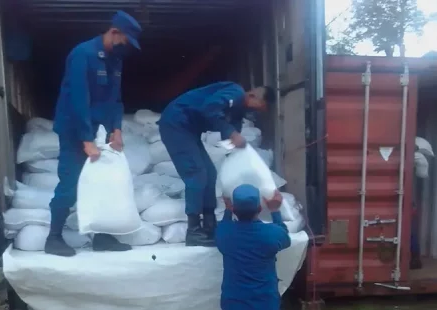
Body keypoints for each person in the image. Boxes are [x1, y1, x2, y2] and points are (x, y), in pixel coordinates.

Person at [43, 11, 143, 257]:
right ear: (114, 32)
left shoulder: (116, 61)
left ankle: (103, 237)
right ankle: (53, 238)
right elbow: (79, 99)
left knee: (105, 183)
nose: (127, 48)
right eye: (126, 41)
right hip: (73, 129)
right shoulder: (83, 54)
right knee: (70, 183)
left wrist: (116, 129)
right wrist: (86, 140)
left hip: (98, 130)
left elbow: (115, 99)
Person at [157, 83, 275, 247]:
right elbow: (209, 108)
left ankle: (209, 224)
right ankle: (194, 230)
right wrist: (231, 134)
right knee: (196, 173)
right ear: (254, 96)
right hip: (176, 124)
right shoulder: (236, 92)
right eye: (260, 107)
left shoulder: (239, 110)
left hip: (190, 130)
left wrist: (234, 150)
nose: (256, 113)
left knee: (210, 173)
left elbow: (233, 130)